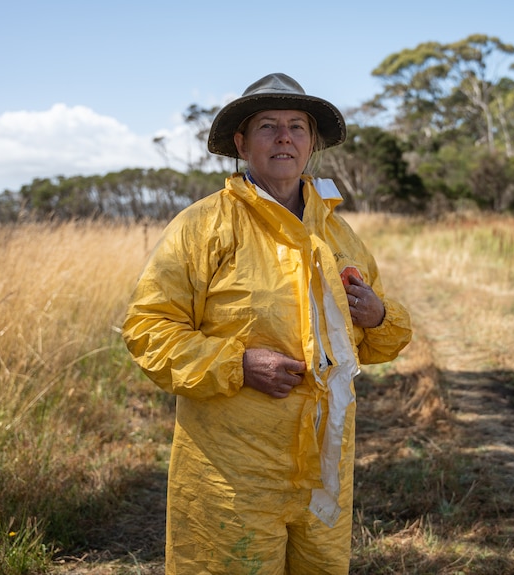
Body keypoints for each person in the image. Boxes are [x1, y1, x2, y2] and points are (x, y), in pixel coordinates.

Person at [121, 73, 412, 574]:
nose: (285, 137)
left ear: (312, 143)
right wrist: (238, 363)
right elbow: (149, 329)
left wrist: (378, 316)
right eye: (268, 126)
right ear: (241, 143)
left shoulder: (338, 233)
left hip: (324, 468)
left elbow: (379, 340)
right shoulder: (203, 226)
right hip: (233, 471)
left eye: (298, 127)